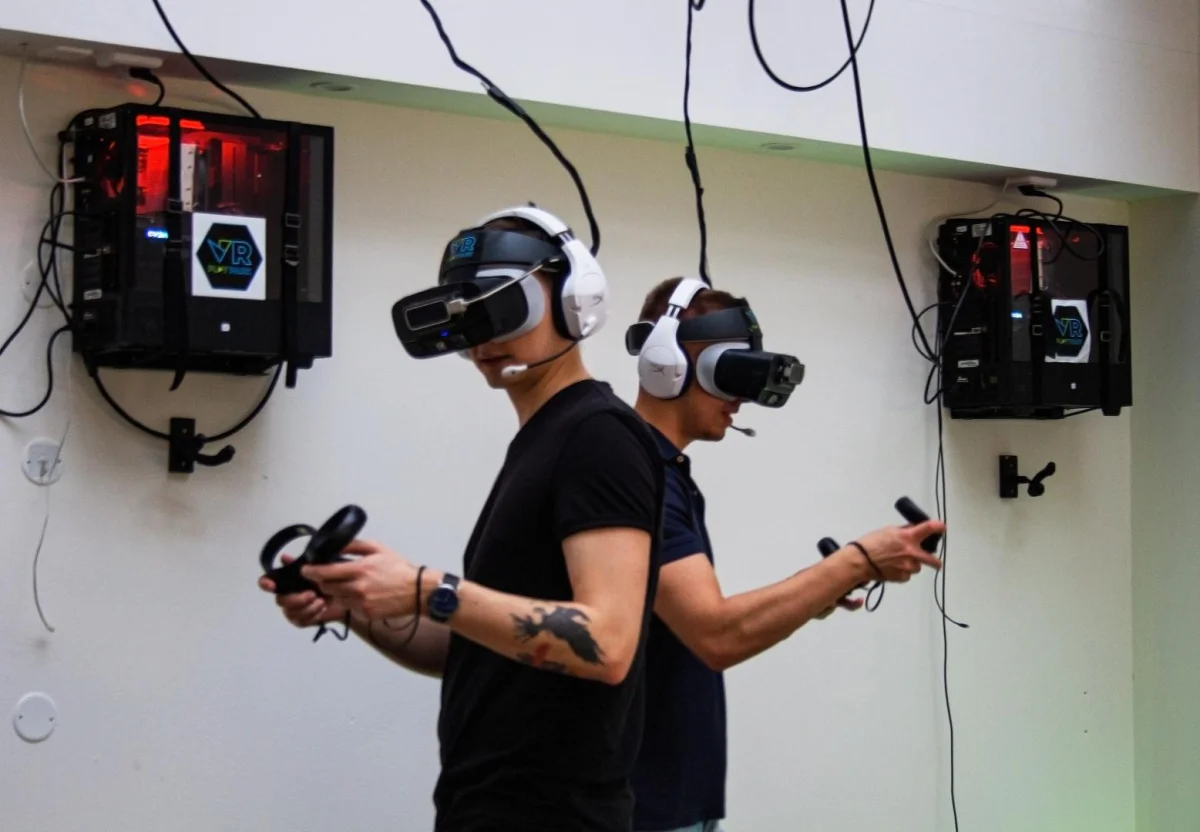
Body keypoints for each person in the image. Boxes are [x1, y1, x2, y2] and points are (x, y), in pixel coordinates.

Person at [258, 206, 666, 832]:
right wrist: (359, 607)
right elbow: (486, 647)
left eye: (504, 308)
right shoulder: (546, 441)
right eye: (469, 317)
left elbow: (608, 643)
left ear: (573, 299)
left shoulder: (598, 437)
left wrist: (428, 589)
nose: (482, 339)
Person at [624, 276, 946, 832]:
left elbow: (683, 621)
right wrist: (856, 561)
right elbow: (717, 635)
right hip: (641, 808)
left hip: (673, 798)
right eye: (731, 372)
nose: (742, 397)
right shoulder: (637, 472)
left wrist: (821, 586)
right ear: (666, 361)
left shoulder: (664, 472)